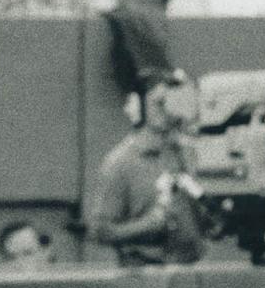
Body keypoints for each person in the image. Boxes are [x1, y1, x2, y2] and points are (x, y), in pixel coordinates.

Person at [88, 69, 213, 266]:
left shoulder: (186, 155)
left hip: (189, 272)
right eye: (160, 103)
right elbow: (100, 230)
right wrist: (148, 225)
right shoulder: (121, 162)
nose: (168, 110)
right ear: (140, 106)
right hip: (142, 273)